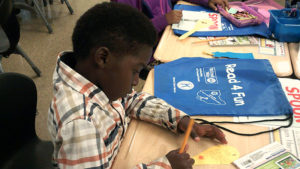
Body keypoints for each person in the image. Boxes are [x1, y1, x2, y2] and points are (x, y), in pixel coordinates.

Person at [48, 2, 227, 169]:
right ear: (103, 57)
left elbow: (131, 100)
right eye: (135, 71)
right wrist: (166, 166)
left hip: (121, 151)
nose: (136, 81)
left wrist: (179, 120)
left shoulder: (100, 80)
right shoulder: (81, 125)